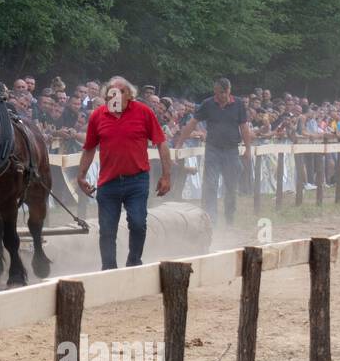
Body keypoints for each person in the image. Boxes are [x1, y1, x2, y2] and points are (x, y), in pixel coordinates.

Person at [77, 75, 171, 271]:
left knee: (138, 223)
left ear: (130, 95)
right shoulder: (97, 116)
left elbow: (161, 142)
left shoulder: (144, 112)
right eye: (111, 92)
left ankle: (134, 262)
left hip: (137, 179)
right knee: (107, 230)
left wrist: (166, 175)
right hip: (108, 181)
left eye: (120, 92)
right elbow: (89, 148)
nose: (115, 96)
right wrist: (81, 176)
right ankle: (109, 270)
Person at [173, 78, 253, 228]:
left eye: (224, 92)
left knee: (230, 187)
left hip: (231, 151)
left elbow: (244, 127)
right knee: (210, 185)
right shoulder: (208, 104)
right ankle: (212, 221)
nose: (221, 96)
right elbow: (192, 123)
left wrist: (248, 149)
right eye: (218, 93)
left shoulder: (239, 104)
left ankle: (229, 218)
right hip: (213, 150)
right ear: (215, 91)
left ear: (229, 90)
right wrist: (179, 143)